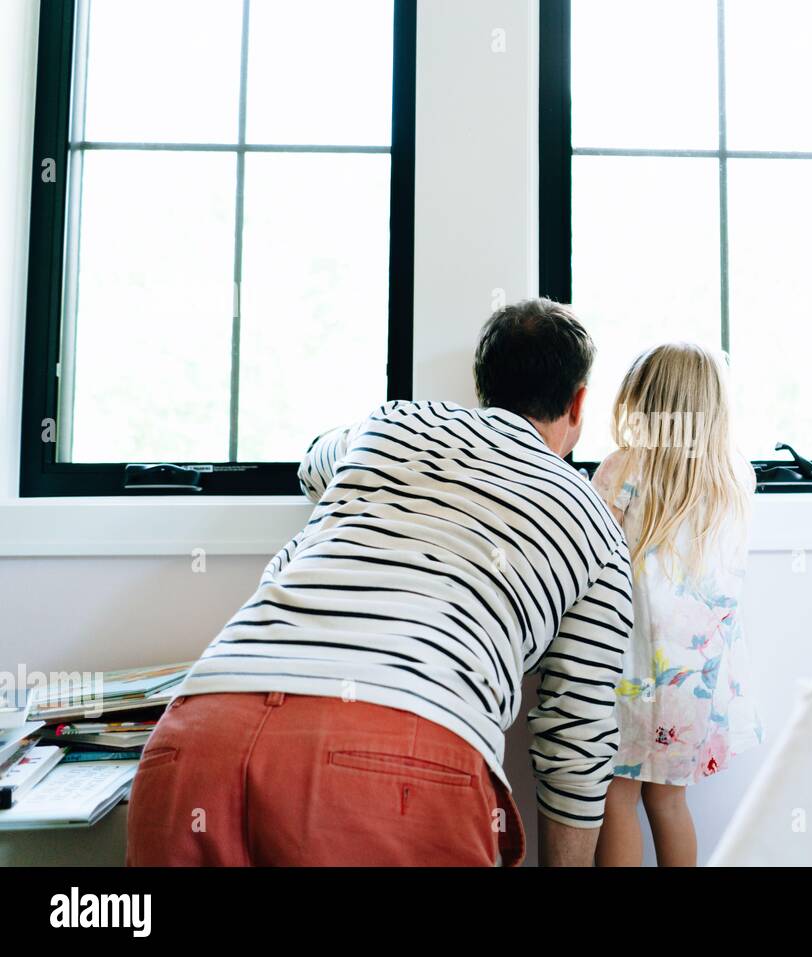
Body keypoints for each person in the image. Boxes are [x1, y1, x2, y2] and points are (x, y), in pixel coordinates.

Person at [125, 299, 632, 867]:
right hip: (398, 749)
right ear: (579, 401)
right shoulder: (595, 524)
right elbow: (577, 737)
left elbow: (313, 463)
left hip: (201, 729)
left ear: (483, 383)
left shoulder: (392, 423)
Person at [590, 343, 761, 867]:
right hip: (696, 679)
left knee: (616, 798)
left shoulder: (622, 471)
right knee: (669, 801)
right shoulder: (734, 478)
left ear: (644, 402)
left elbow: (593, 557)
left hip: (629, 669)